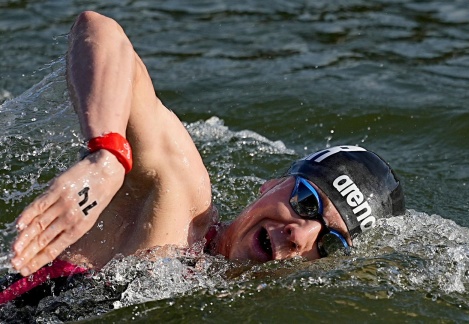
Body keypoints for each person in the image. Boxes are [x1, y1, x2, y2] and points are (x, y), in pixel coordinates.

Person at [3, 11, 405, 304]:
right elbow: (101, 30)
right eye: (306, 202)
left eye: (331, 243)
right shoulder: (177, 202)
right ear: (272, 185)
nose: (300, 235)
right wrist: (108, 155)